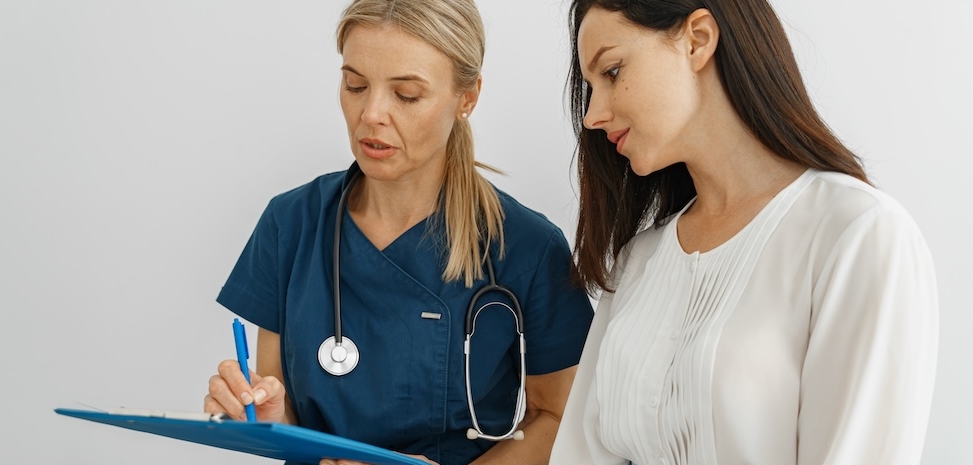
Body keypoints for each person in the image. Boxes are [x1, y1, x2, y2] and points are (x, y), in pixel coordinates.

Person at [202, 1, 595, 464]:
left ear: (467, 97)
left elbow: (559, 415)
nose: (371, 114)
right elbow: (282, 411)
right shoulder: (291, 224)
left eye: (406, 95)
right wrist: (267, 417)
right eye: (355, 85)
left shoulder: (527, 248)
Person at [550, 1, 938, 464]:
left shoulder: (857, 235)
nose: (592, 115)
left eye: (611, 71)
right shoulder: (641, 259)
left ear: (698, 40)